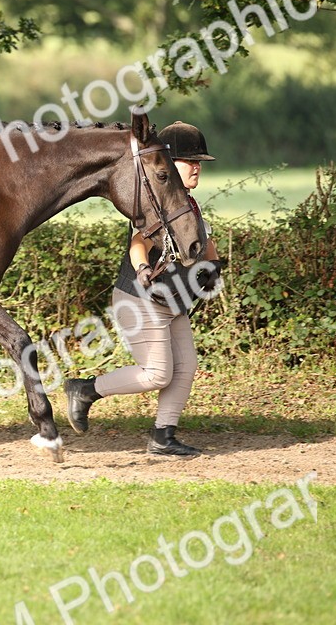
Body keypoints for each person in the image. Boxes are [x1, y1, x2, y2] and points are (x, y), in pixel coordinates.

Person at [64, 121, 223, 457]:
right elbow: (139, 243)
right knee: (157, 372)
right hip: (140, 298)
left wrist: (215, 265)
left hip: (172, 300)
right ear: (166, 164)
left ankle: (163, 436)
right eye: (190, 160)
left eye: (199, 162)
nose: (197, 167)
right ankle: (85, 390)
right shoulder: (157, 205)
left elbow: (205, 242)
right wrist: (143, 268)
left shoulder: (187, 205)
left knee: (185, 367)